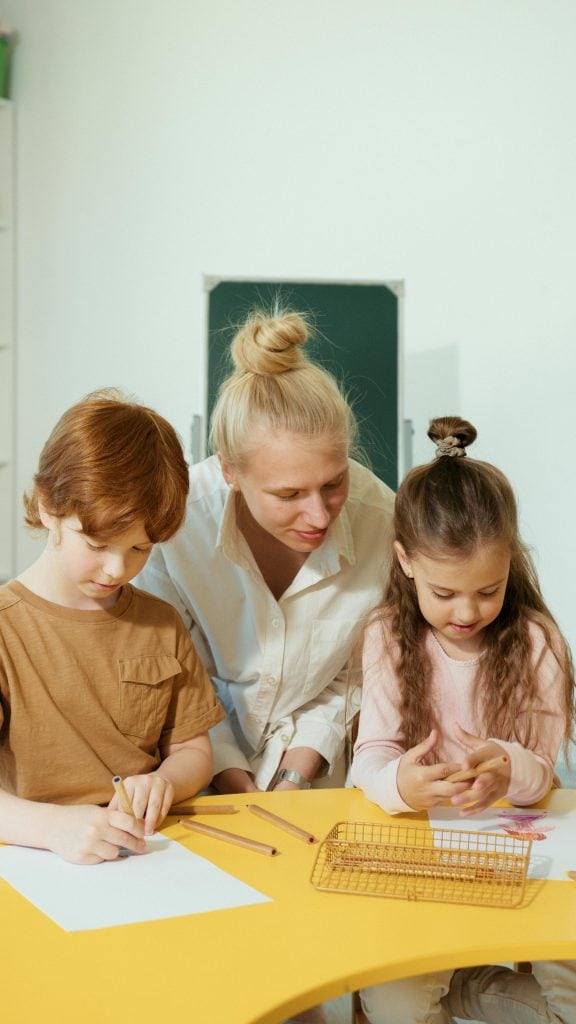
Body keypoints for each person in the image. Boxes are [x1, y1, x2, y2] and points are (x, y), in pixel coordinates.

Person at [351, 416, 576, 1024]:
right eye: (445, 592)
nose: (468, 611)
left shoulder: (537, 641)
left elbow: (546, 774)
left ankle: (466, 989)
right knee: (394, 1002)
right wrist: (401, 782)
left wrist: (509, 769)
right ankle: (458, 984)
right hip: (424, 853)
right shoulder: (387, 637)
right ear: (405, 562)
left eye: (489, 589)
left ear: (511, 563)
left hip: (520, 850)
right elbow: (370, 755)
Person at [137, 306, 396, 796]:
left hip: (315, 776)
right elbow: (178, 676)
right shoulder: (176, 524)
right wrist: (231, 777)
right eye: (289, 495)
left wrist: (295, 774)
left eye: (334, 483)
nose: (320, 516)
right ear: (231, 471)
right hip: (188, 771)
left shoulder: (383, 521)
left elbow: (355, 677)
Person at [0, 390, 224, 865]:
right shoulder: (6, 628)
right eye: (97, 544)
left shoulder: (161, 623)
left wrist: (165, 780)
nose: (116, 570)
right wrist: (53, 826)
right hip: (33, 856)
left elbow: (192, 750)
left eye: (140, 549)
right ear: (47, 507)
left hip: (145, 855)